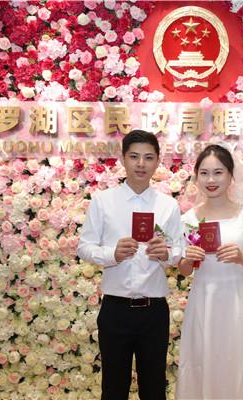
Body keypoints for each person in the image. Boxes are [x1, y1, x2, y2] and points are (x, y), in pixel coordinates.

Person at [77, 130, 183, 400]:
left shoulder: (168, 205)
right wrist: (112, 254)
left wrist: (166, 254)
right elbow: (84, 247)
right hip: (116, 309)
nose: (141, 164)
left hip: (154, 311)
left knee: (154, 387)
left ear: (157, 161)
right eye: (134, 156)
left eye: (148, 157)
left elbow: (179, 251)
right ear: (123, 159)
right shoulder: (103, 201)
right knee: (113, 387)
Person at [176, 144, 243, 399]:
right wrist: (188, 259)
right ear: (196, 177)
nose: (211, 180)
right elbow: (183, 271)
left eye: (218, 173)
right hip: (203, 300)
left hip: (237, 299)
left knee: (238, 359)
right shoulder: (188, 219)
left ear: (230, 175)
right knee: (201, 359)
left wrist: (242, 257)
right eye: (204, 173)